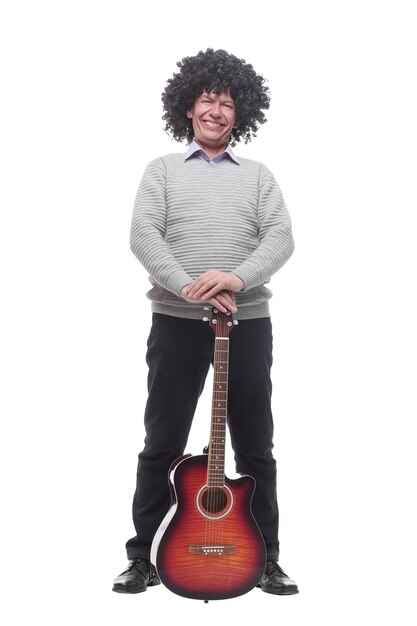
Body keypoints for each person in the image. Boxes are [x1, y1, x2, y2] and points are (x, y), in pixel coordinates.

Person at [113, 48, 298, 596]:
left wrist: (234, 281)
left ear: (241, 115)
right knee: (162, 440)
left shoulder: (259, 177)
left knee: (254, 444)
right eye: (207, 99)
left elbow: (281, 238)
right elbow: (143, 234)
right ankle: (143, 557)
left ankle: (265, 559)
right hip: (176, 322)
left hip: (247, 323)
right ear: (188, 108)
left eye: (227, 102)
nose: (217, 109)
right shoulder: (162, 171)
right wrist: (190, 286)